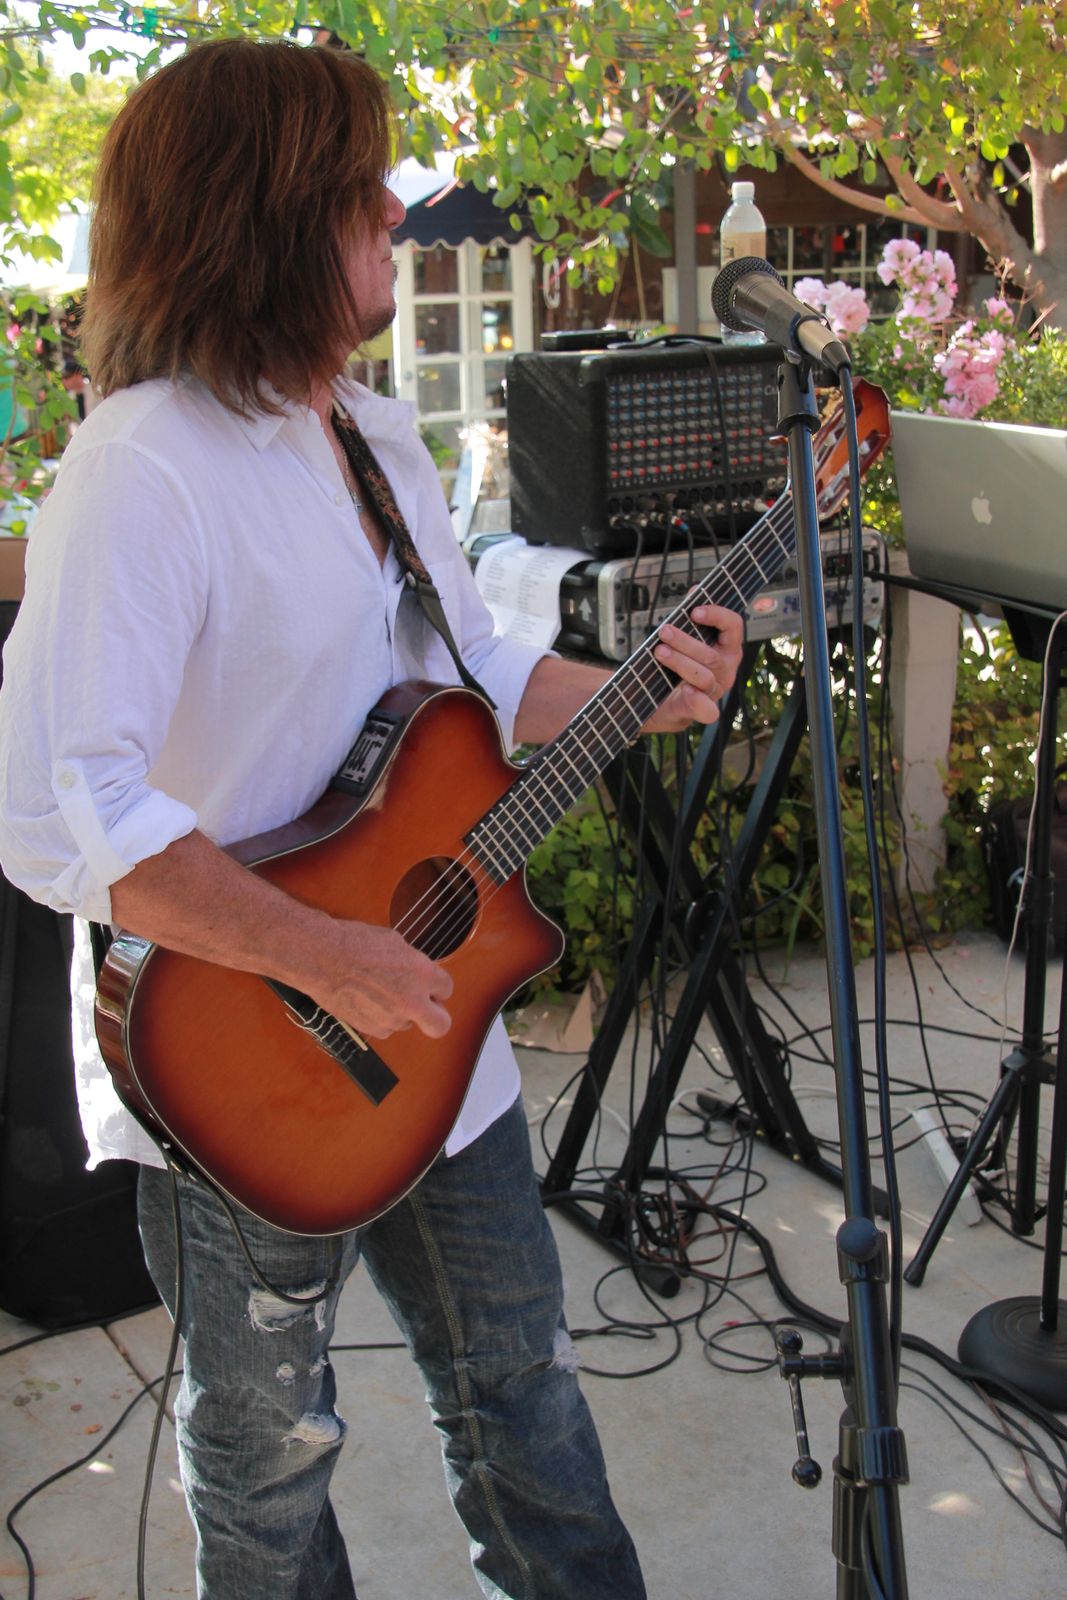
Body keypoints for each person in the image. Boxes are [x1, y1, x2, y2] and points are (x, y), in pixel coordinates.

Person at [0, 39, 744, 1600]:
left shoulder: (369, 434)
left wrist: (644, 693)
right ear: (265, 220)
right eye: (359, 192)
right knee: (271, 1468)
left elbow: (477, 670)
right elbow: (64, 811)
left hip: (440, 1043)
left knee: (526, 1392)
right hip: (242, 1061)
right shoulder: (141, 472)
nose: (395, 217)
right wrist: (322, 955)